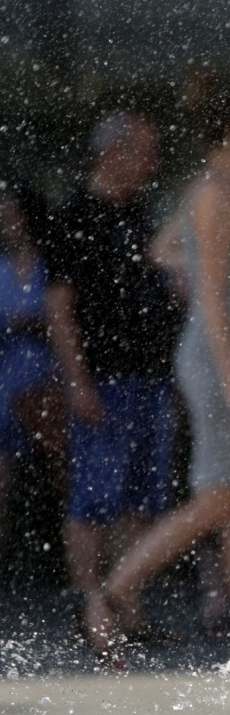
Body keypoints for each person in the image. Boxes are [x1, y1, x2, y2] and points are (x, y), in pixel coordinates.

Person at [91, 82, 230, 666]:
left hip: (227, 359)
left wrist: (195, 265)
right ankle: (111, 593)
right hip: (218, 364)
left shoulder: (221, 190)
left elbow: (162, 250)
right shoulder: (213, 194)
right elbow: (211, 297)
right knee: (218, 499)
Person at [39, 111, 184, 655]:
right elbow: (59, 308)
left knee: (140, 500)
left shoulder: (139, 215)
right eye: (145, 151)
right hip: (104, 378)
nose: (152, 162)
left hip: (149, 376)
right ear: (113, 152)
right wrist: (77, 381)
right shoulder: (74, 215)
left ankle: (127, 608)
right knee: (93, 500)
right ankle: (88, 608)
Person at [0, 180, 61, 559]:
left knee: (61, 474)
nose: (8, 221)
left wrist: (37, 324)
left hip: (48, 379)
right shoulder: (1, 269)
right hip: (6, 381)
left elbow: (68, 320)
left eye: (13, 213)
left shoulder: (50, 264)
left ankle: (62, 561)